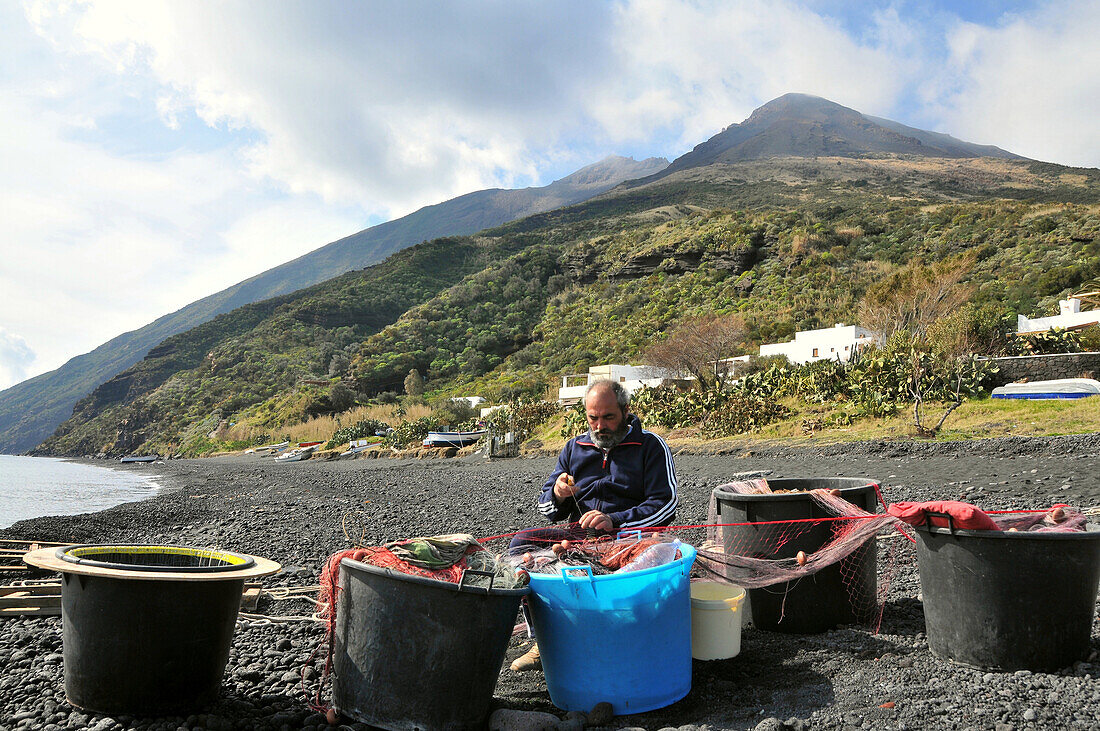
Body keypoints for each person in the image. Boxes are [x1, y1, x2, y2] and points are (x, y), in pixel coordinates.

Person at [509, 378, 678, 671]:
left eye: (608, 417)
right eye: (593, 418)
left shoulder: (650, 446)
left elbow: (666, 504)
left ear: (626, 411)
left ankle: (626, 635)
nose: (600, 426)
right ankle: (544, 641)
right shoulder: (574, 448)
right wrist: (558, 494)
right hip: (579, 536)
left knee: (652, 556)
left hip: (630, 534)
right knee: (521, 544)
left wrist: (615, 521)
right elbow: (547, 509)